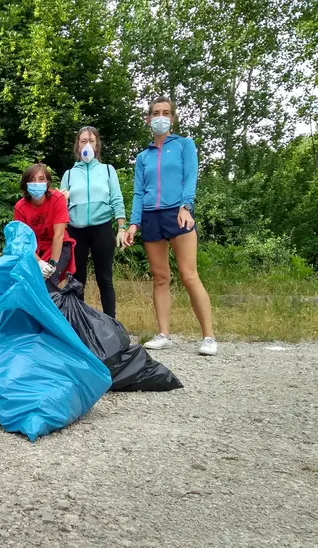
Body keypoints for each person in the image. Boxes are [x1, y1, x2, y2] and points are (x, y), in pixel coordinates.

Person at [123, 96, 217, 356]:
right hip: (151, 216)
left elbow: (191, 177)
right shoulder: (143, 156)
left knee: (189, 275)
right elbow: (139, 192)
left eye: (165, 112)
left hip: (178, 213)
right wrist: (134, 224)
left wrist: (186, 206)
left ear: (172, 118)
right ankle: (164, 333)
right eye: (155, 113)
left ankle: (208, 336)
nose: (160, 117)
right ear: (148, 118)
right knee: (160, 277)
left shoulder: (185, 145)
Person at [60, 126, 127, 318]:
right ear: (77, 145)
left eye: (91, 140)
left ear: (97, 145)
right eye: (83, 141)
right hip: (76, 230)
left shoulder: (107, 170)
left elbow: (117, 199)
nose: (87, 144)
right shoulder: (69, 174)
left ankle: (111, 325)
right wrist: (61, 200)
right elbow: (60, 208)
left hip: (102, 228)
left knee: (105, 279)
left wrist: (122, 227)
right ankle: (79, 325)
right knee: (77, 280)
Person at [14, 163, 75, 292]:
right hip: (33, 251)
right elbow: (23, 241)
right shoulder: (20, 207)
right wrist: (40, 263)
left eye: (41, 179)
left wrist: (53, 264)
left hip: (59, 247)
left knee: (48, 285)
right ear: (25, 183)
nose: (37, 183)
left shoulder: (57, 199)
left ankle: (56, 311)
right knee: (26, 285)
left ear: (47, 182)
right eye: (32, 179)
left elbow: (59, 234)